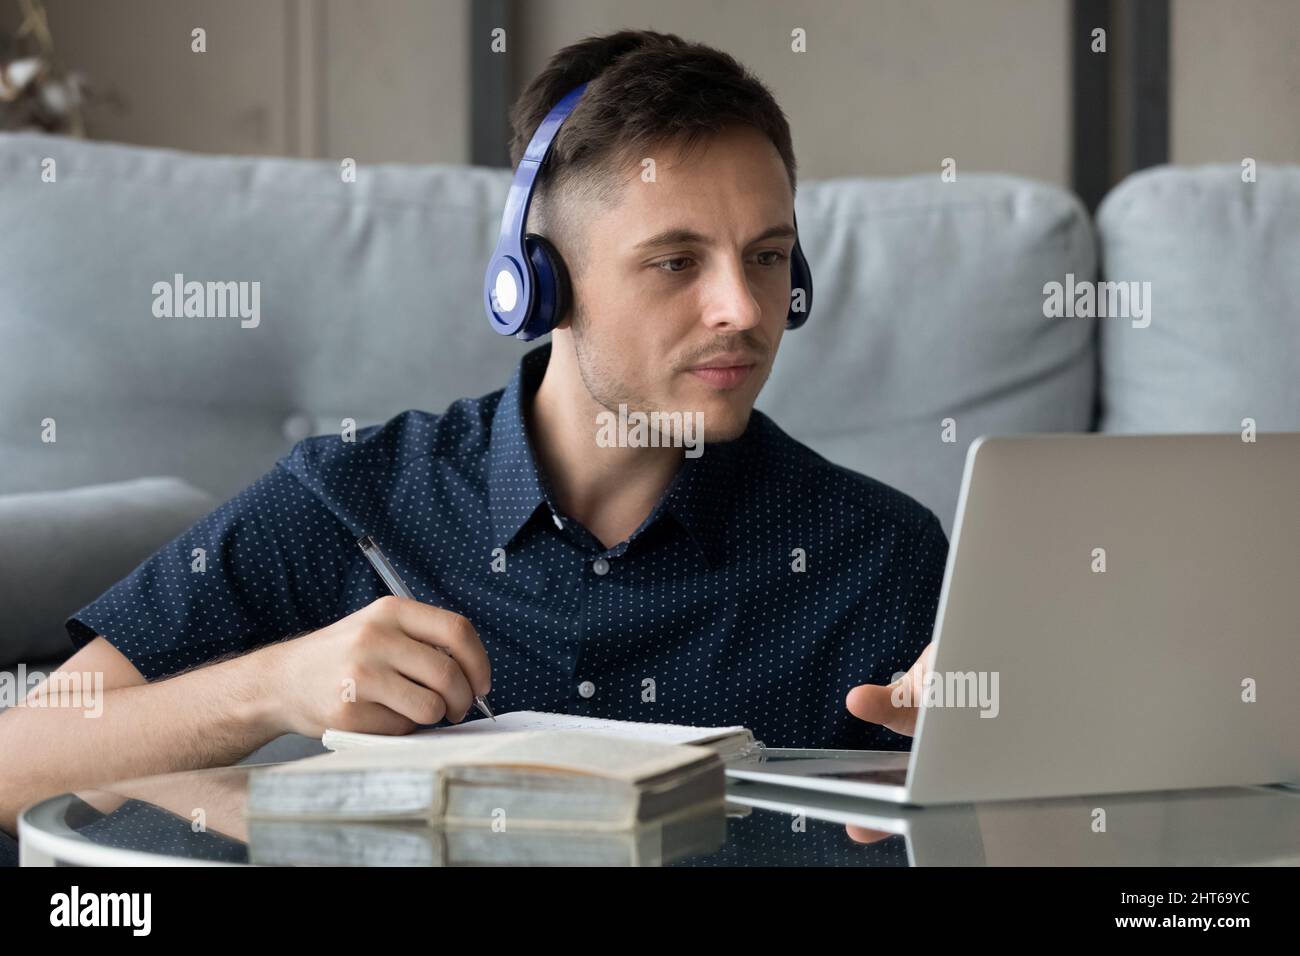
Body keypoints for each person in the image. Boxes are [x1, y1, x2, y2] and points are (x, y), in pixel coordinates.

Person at [0, 29, 945, 838]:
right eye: (675, 261)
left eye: (769, 257)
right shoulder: (350, 498)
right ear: (539, 283)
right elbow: (18, 757)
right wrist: (272, 688)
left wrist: (986, 758)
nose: (744, 309)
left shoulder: (886, 553)